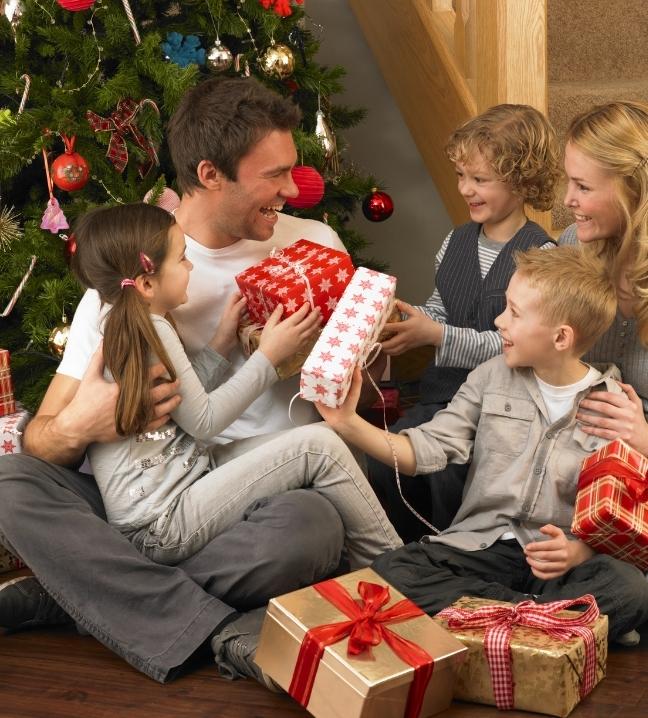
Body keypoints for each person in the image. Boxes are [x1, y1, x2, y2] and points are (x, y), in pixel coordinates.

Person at [0, 77, 357, 686]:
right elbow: (43, 442)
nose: (292, 190)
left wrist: (365, 345)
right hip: (149, 493)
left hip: (261, 496)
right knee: (11, 480)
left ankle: (80, 597)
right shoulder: (129, 278)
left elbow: (359, 382)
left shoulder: (315, 245)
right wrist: (83, 423)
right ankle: (201, 623)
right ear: (211, 172)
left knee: (312, 527)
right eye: (273, 175)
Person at [318, 246, 648, 642]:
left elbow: (626, 517)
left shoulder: (615, 407)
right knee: (391, 571)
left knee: (630, 588)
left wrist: (583, 551)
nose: (499, 321)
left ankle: (494, 619)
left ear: (561, 337)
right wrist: (347, 423)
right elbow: (424, 450)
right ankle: (540, 621)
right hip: (480, 549)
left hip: (558, 569)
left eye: (514, 312)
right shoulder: (490, 377)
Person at [72, 202, 400, 568]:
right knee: (319, 444)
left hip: (191, 477)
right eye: (181, 260)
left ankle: (370, 566)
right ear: (148, 283)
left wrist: (222, 343)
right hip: (159, 522)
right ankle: (400, 571)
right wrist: (270, 358)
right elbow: (204, 422)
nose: (190, 266)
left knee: (334, 437)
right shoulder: (152, 328)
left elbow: (182, 398)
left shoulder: (129, 320)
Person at [371, 104, 559, 541]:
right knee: (387, 459)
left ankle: (455, 552)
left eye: (480, 179)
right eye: (461, 176)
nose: (466, 190)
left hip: (503, 408)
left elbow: (511, 344)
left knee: (449, 470)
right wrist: (415, 321)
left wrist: (435, 335)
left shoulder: (541, 255)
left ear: (520, 180)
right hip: (440, 398)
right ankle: (408, 548)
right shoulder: (454, 241)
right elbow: (443, 305)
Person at [559, 101, 648, 455]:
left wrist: (642, 438)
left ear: (632, 189)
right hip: (577, 453)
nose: (567, 199)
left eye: (583, 186)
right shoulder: (572, 246)